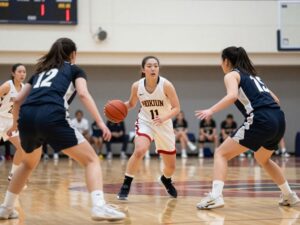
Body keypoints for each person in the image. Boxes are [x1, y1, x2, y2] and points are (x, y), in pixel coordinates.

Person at [0, 38, 125, 221]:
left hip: (27, 118)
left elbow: (18, 100)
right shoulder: (75, 70)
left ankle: (6, 208)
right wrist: (100, 122)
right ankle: (99, 206)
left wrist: (14, 125)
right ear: (73, 54)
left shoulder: (39, 72)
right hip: (51, 116)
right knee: (91, 160)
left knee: (27, 164)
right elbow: (83, 93)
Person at [195, 46, 300, 209]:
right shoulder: (254, 77)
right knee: (263, 159)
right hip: (279, 119)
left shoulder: (231, 75)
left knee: (221, 153)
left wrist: (211, 110)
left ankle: (215, 197)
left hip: (261, 118)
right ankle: (289, 195)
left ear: (226, 61)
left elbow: (232, 96)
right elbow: (276, 100)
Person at [117, 56, 180, 200]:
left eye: (156, 66)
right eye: (149, 66)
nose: (153, 68)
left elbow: (177, 108)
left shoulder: (166, 85)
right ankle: (126, 186)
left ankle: (166, 179)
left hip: (164, 124)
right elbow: (132, 104)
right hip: (146, 122)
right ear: (143, 69)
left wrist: (164, 118)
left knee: (171, 167)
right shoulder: (136, 86)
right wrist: (119, 107)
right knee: (139, 150)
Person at [0, 63, 26, 181]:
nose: (22, 74)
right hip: (1, 119)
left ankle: (13, 174)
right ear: (13, 73)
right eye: (19, 71)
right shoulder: (7, 86)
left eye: (24, 72)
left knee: (22, 148)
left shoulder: (24, 88)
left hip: (11, 122)